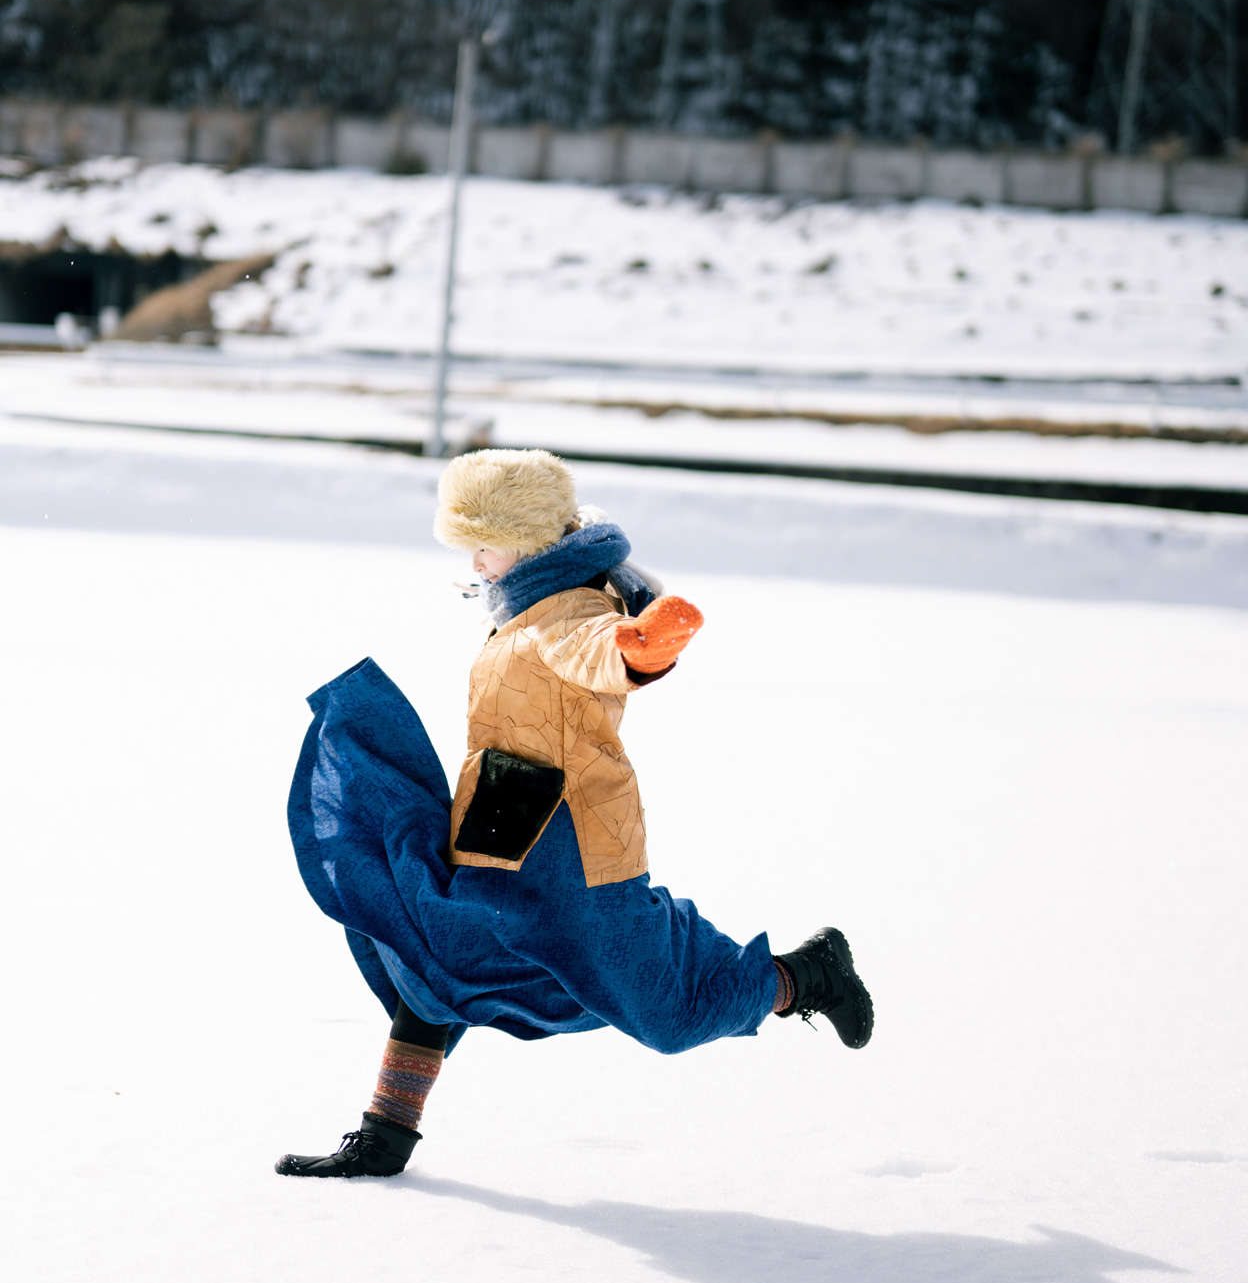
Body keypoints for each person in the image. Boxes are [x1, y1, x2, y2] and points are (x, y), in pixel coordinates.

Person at [277, 448, 873, 1181]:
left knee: (666, 1014)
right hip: (500, 829)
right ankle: (385, 1136)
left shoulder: (571, 610)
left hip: (575, 854)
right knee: (438, 965)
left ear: (526, 540)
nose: (474, 560)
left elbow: (602, 652)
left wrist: (644, 648)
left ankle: (805, 977)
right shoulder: (526, 600)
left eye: (484, 544)